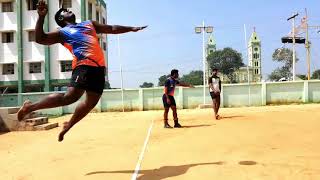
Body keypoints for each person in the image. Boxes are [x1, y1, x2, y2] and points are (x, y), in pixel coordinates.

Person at [17, 0, 147, 142]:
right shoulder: (62, 33)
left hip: (98, 70)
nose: (69, 10)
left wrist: (131, 28)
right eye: (65, 10)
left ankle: (68, 125)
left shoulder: (89, 24)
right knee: (70, 97)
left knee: (91, 103)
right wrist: (41, 17)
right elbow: (40, 39)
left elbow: (112, 28)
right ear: (61, 18)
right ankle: (30, 107)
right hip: (83, 65)